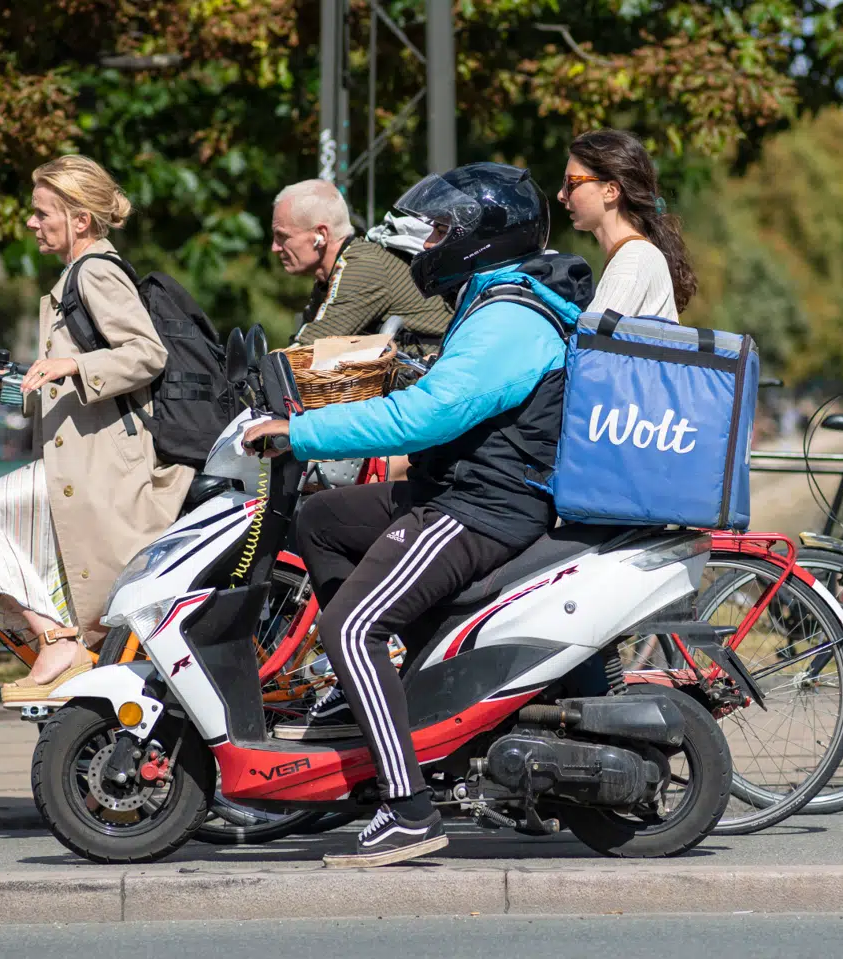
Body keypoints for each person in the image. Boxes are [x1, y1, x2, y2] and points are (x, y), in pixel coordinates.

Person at [244, 162, 592, 867]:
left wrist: (302, 432)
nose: (423, 245)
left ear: (477, 240)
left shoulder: (509, 318)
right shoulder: (492, 301)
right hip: (459, 489)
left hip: (482, 506)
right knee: (322, 522)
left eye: (437, 232)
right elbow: (447, 391)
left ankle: (407, 808)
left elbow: (430, 416)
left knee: (353, 623)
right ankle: (380, 691)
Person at [0, 155, 194, 708]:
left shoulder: (95, 271)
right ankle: (61, 645)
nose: (31, 223)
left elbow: (148, 354)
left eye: (41, 212)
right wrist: (7, 386)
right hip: (79, 464)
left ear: (78, 219)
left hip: (102, 473)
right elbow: (56, 385)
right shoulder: (71, 280)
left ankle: (57, 642)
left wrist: (74, 366)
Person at [272, 179, 450, 354]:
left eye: (282, 236)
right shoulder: (336, 273)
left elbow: (306, 353)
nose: (275, 247)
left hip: (434, 373)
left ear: (321, 235)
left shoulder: (362, 268)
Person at [558, 129, 697, 319]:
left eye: (571, 184)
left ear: (611, 191)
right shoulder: (632, 257)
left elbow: (588, 342)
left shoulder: (634, 260)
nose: (561, 195)